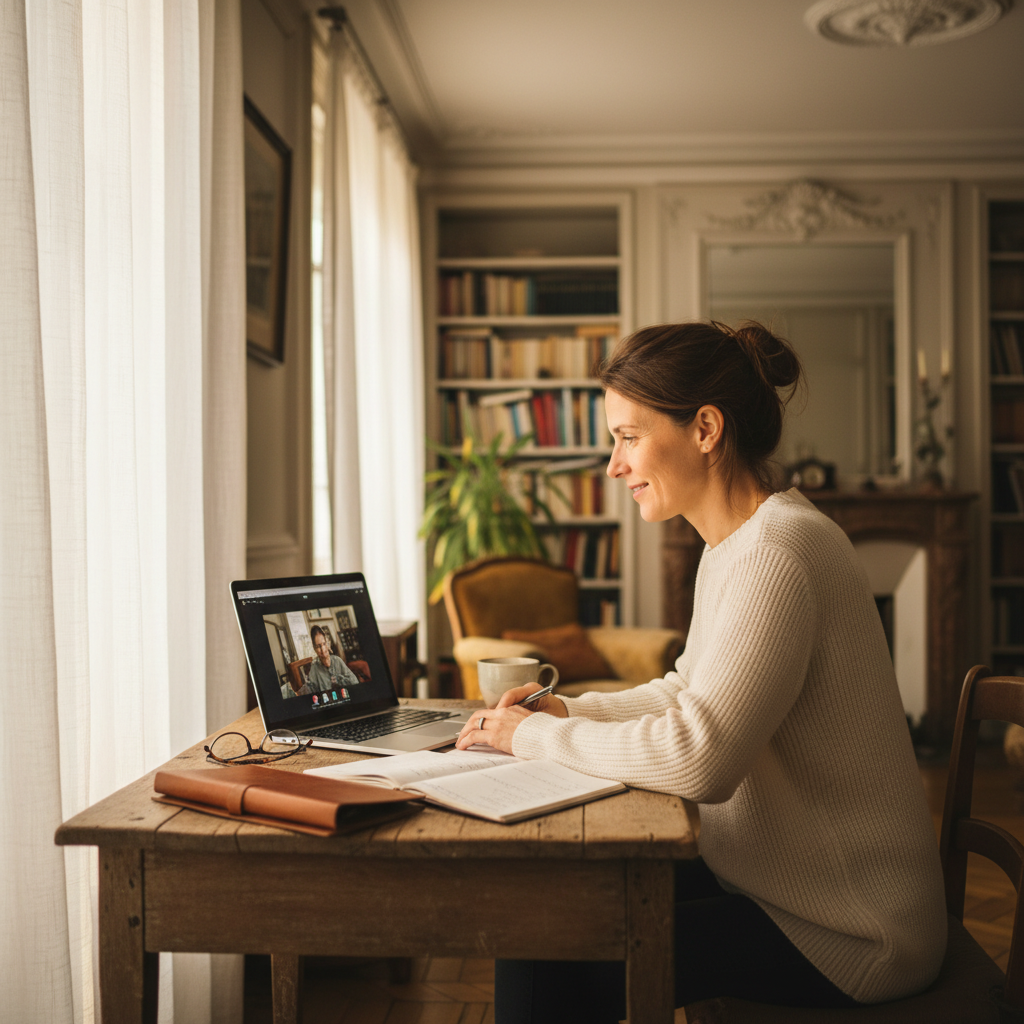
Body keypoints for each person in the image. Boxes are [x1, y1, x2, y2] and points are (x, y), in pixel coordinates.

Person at [455, 320, 947, 1022]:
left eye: (628, 436)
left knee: (548, 950)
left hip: (853, 930)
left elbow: (701, 757)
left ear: (706, 429)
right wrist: (567, 713)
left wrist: (527, 740)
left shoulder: (777, 552)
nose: (613, 466)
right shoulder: (739, 544)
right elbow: (688, 690)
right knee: (544, 910)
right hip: (778, 887)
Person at [299, 625, 359, 695]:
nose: (323, 649)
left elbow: (354, 682)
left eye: (324, 644)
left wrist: (337, 679)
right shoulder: (314, 667)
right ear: (315, 649)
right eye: (318, 646)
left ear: (327, 644)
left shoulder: (338, 661)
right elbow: (310, 689)